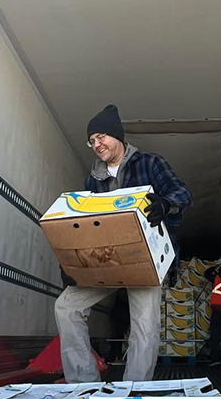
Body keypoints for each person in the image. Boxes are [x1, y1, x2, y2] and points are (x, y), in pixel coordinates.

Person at [55, 104, 192, 383]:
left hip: (146, 261)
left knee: (143, 322)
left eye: (101, 136)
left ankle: (134, 389)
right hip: (107, 260)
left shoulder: (150, 164)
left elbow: (182, 193)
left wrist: (166, 204)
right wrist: (72, 264)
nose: (96, 144)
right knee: (66, 307)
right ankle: (84, 384)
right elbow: (84, 226)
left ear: (118, 136)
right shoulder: (93, 181)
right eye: (91, 141)